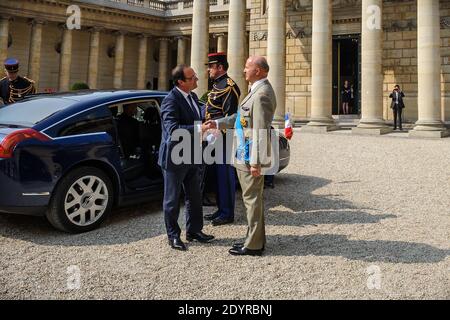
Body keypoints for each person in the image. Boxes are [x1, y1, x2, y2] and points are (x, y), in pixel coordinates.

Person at [207, 56, 276, 256]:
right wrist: (218, 123)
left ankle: (253, 245)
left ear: (260, 71)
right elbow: (240, 118)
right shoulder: (256, 90)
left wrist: (256, 162)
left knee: (252, 200)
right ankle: (253, 239)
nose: (244, 70)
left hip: (249, 157)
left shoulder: (262, 93)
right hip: (244, 153)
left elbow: (260, 131)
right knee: (250, 200)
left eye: (248, 67)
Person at [158, 64, 215, 251]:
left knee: (195, 196)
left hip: (193, 153)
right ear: (181, 82)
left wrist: (207, 132)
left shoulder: (193, 97)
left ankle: (194, 231)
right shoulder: (170, 101)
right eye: (192, 78)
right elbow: (172, 130)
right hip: (175, 156)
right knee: (172, 199)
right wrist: (200, 128)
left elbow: (195, 124)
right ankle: (173, 236)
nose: (197, 79)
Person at [202, 52, 241, 226]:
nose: (209, 69)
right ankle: (220, 208)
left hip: (224, 138)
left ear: (220, 67)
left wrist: (217, 128)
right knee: (217, 176)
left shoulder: (229, 86)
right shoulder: (217, 84)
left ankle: (227, 212)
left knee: (225, 176)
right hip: (214, 138)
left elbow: (231, 117)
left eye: (211, 66)